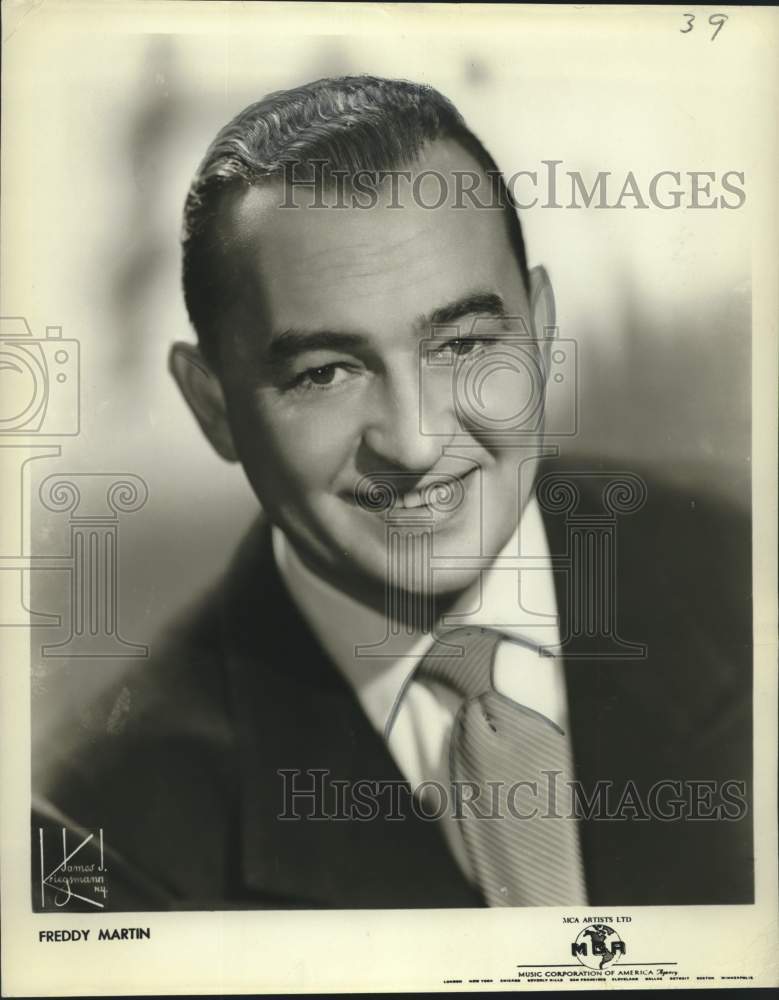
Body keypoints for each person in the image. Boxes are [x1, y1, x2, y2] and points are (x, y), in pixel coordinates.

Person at [32, 76, 752, 911]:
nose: (413, 444)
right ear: (213, 407)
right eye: (325, 372)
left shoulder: (746, 567)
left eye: (462, 346)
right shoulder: (101, 833)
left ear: (542, 332)